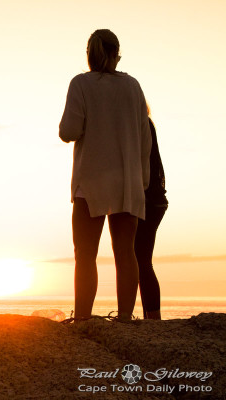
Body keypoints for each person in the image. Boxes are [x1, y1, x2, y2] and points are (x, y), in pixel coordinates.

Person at [59, 29, 151, 321]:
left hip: (91, 180)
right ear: (116, 53)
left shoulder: (81, 83)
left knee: (85, 254)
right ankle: (125, 317)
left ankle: (83, 320)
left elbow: (68, 132)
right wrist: (142, 180)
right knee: (126, 252)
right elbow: (145, 138)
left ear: (89, 54)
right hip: (128, 180)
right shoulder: (133, 86)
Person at [135, 115, 168, 320]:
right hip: (155, 200)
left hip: (147, 200)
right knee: (141, 260)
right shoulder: (146, 123)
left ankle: (153, 318)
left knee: (140, 260)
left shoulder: (140, 123)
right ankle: (151, 316)